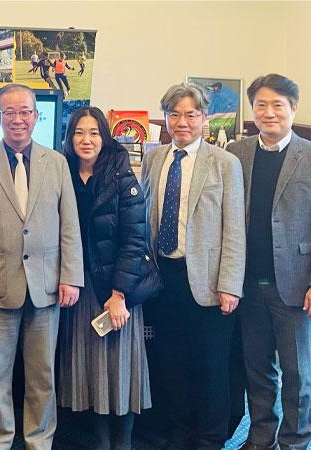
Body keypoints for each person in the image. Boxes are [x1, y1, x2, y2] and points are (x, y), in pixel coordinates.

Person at [0, 83, 83, 449]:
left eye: (24, 112)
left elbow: (70, 227)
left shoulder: (57, 163)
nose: (17, 119)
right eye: (9, 112)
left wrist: (71, 277)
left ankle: (38, 441)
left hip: (47, 287)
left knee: (42, 376)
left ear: (35, 115)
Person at [140, 83, 246, 449]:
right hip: (163, 278)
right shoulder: (154, 158)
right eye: (174, 114)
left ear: (204, 118)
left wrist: (230, 284)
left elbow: (235, 228)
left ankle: (210, 437)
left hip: (209, 281)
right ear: (166, 117)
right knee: (171, 361)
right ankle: (180, 430)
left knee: (212, 366)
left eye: (190, 114)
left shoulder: (225, 162)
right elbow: (145, 219)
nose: (181, 122)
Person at [58, 107, 157, 450]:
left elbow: (135, 240)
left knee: (120, 369)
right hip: (79, 287)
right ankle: (100, 442)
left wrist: (119, 294)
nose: (87, 140)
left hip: (117, 289)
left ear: (105, 137)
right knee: (90, 370)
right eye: (79, 133)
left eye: (94, 132)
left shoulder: (122, 177)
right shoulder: (62, 173)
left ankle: (123, 443)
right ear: (70, 139)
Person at [227, 74, 311, 450]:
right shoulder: (236, 152)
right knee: (257, 369)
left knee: (297, 374)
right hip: (247, 281)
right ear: (252, 110)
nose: (269, 112)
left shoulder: (308, 156)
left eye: (278, 104)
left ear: (293, 109)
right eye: (261, 104)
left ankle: (295, 441)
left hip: (294, 283)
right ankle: (261, 437)